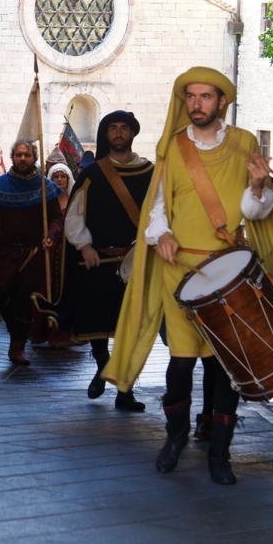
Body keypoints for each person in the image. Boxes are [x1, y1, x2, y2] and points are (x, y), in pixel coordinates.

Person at [104, 67, 273, 485]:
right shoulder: (172, 148)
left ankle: (220, 453)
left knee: (226, 367)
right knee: (180, 363)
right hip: (180, 272)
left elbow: (253, 212)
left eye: (206, 97)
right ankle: (175, 436)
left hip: (228, 273)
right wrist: (162, 233)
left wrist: (260, 188)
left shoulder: (244, 144)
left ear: (221, 102)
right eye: (191, 97)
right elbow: (158, 203)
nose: (197, 105)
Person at [61, 111, 153, 412]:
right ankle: (103, 366)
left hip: (136, 261)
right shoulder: (93, 174)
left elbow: (159, 213)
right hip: (98, 260)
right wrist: (84, 245)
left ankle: (124, 391)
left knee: (132, 328)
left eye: (124, 128)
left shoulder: (150, 172)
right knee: (97, 326)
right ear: (106, 134)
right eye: (112, 128)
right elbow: (74, 215)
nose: (118, 133)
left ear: (132, 133)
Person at [0, 141, 64, 365]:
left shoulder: (45, 187)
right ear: (12, 157)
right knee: (2, 297)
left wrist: (51, 235)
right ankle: (15, 335)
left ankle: (17, 345)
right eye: (19, 155)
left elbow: (56, 218)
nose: (22, 159)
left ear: (34, 157)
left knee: (25, 301)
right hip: (5, 254)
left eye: (27, 155)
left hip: (33, 254)